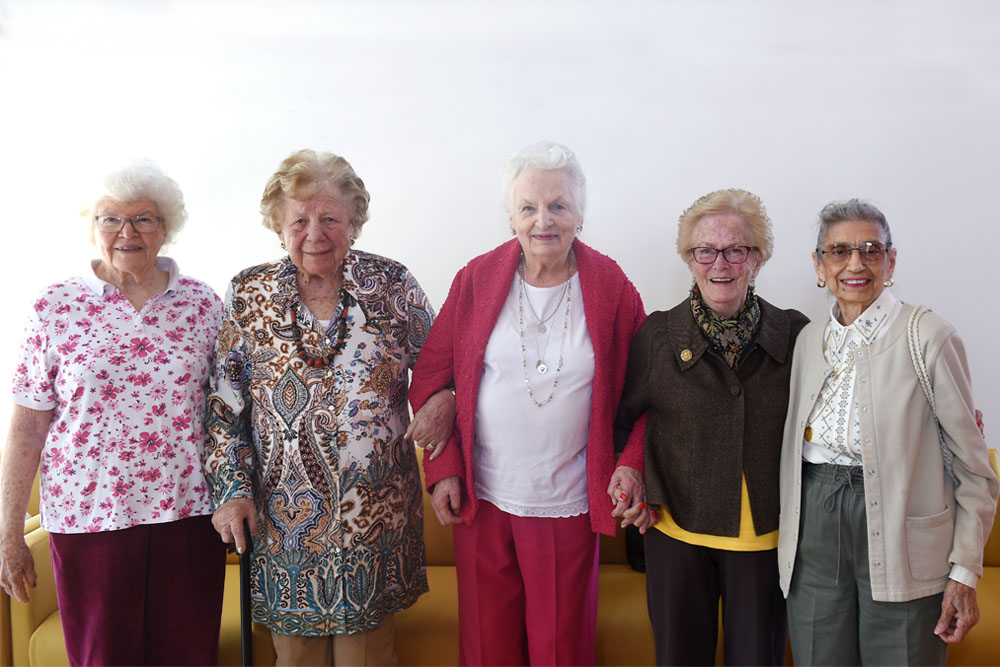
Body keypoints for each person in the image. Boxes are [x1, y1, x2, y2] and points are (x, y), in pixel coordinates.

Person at [205, 149, 454, 666]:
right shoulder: (248, 295)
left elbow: (443, 366)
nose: (314, 233)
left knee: (369, 657)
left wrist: (447, 400)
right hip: (284, 522)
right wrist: (231, 492)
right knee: (294, 659)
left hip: (375, 519)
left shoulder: (391, 286)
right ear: (279, 226)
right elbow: (223, 408)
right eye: (299, 220)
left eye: (330, 219)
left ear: (354, 223)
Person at [408, 141, 646, 665]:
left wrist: (631, 465)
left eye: (558, 205)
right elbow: (430, 375)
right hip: (483, 499)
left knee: (559, 649)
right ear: (511, 217)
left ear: (580, 215)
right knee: (487, 647)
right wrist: (444, 466)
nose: (544, 220)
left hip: (566, 500)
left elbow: (646, 394)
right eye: (529, 207)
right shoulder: (476, 278)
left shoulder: (612, 287)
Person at [0, 160, 226, 666]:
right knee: (104, 657)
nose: (127, 232)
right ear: (92, 227)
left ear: (166, 228)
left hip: (188, 512)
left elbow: (230, 412)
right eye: (110, 219)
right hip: (88, 515)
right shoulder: (54, 306)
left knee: (189, 655)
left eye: (144, 219)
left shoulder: (204, 305)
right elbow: (27, 424)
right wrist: (8, 532)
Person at [778, 199, 999, 665]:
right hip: (815, 529)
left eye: (871, 250)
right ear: (819, 265)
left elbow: (975, 470)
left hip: (904, 531)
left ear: (890, 261)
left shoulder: (929, 337)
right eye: (838, 251)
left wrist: (964, 570)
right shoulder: (807, 342)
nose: (855, 264)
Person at [615, 189, 808, 665]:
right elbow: (625, 420)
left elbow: (839, 407)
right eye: (706, 250)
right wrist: (632, 472)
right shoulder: (658, 335)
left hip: (765, 542)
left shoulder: (797, 334)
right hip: (676, 536)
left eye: (735, 249)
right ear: (690, 258)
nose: (719, 263)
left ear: (757, 259)